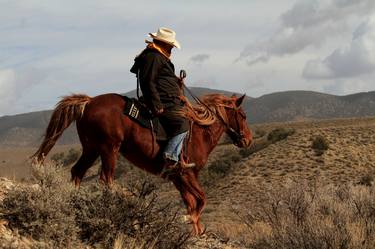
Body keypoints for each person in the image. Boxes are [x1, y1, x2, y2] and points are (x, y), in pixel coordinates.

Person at [130, 27, 195, 171]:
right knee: (183, 123)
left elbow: (160, 78)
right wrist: (156, 104)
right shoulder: (154, 56)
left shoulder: (158, 56)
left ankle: (179, 155)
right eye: (171, 45)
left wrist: (174, 81)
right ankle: (171, 155)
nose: (172, 48)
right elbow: (148, 81)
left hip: (169, 99)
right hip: (164, 102)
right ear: (163, 43)